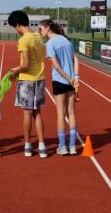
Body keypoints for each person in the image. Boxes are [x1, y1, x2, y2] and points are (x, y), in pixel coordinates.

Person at [7, 10, 48, 158]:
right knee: (37, 113)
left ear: (18, 24)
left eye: (14, 27)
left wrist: (14, 72)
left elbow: (25, 65)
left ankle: (28, 145)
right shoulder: (38, 36)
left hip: (27, 79)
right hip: (40, 79)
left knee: (27, 113)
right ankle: (42, 145)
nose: (16, 30)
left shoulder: (24, 40)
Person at [40, 19, 80, 156]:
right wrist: (75, 78)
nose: (40, 32)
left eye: (41, 29)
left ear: (47, 28)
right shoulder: (66, 40)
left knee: (60, 113)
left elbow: (56, 66)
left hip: (60, 80)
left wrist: (68, 79)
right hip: (71, 81)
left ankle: (63, 146)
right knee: (72, 112)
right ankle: (73, 146)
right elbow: (76, 59)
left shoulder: (50, 43)